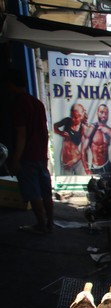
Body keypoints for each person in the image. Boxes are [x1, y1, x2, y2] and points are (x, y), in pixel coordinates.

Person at [1, 69, 54, 234]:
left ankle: (41, 225)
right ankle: (50, 223)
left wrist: (16, 158)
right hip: (40, 154)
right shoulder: (37, 103)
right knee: (45, 191)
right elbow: (44, 132)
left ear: (11, 85)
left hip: (28, 155)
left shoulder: (18, 104)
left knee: (34, 193)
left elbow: (21, 134)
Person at [82, 104, 111, 174]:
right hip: (96, 168)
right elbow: (83, 149)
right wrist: (87, 170)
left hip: (108, 165)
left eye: (106, 113)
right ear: (97, 113)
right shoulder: (92, 129)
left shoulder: (110, 129)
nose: (104, 115)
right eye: (101, 112)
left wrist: (108, 131)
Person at [53, 102, 87, 175]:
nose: (73, 119)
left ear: (81, 116)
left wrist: (74, 161)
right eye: (72, 116)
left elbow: (84, 150)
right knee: (65, 184)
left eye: (75, 117)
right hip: (65, 162)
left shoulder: (83, 128)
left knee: (80, 182)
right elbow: (54, 126)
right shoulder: (67, 121)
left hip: (77, 161)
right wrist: (60, 133)